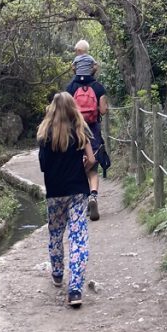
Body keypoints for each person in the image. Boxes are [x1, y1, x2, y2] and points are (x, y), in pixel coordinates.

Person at [37, 92, 96, 308]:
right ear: (73, 108)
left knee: (55, 234)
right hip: (78, 191)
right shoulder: (80, 131)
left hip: (55, 193)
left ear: (52, 109)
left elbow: (43, 166)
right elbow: (91, 159)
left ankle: (58, 273)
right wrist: (81, 168)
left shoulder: (44, 134)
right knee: (78, 237)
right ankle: (75, 290)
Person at [67, 49, 108, 221]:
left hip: (75, 131)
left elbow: (66, 111)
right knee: (93, 166)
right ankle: (93, 195)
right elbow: (104, 110)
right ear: (93, 68)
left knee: (77, 164)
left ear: (75, 68)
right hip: (93, 130)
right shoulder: (98, 87)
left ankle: (81, 200)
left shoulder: (70, 88)